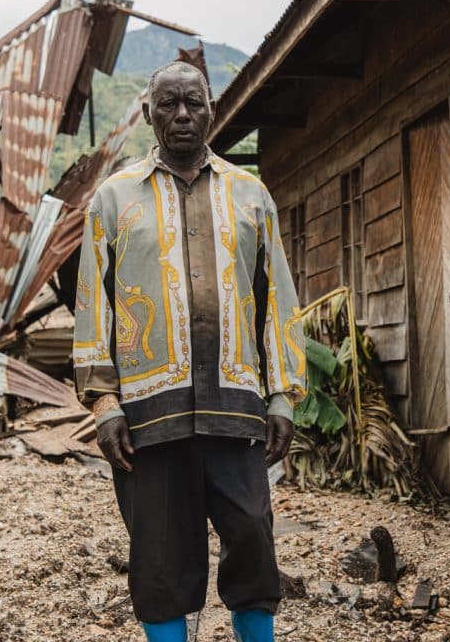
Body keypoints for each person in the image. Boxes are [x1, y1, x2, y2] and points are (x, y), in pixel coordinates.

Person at [72, 60, 306, 642]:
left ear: (212, 111)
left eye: (194, 103)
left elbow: (277, 296)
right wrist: (103, 406)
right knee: (157, 555)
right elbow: (91, 309)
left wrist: (282, 395)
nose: (182, 115)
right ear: (148, 113)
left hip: (235, 408)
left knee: (253, 537)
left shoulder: (251, 195)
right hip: (149, 416)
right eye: (169, 104)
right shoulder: (112, 199)